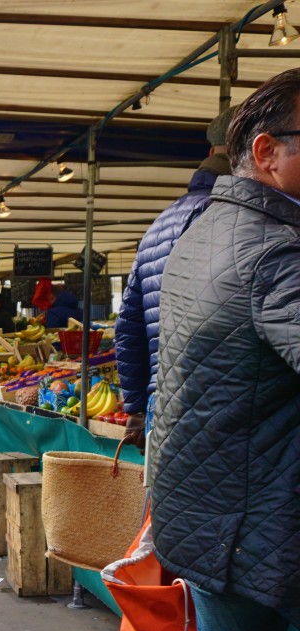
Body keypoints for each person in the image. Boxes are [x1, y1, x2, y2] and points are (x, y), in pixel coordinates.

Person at [149, 73, 300, 631]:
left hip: (207, 510)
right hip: (247, 516)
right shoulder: (274, 250)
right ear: (267, 153)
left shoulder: (206, 229)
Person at [115, 108, 235, 449]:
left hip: (162, 402)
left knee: (168, 501)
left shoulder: (160, 223)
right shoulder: (232, 218)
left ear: (211, 153)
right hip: (214, 408)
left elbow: (128, 326)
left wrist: (137, 408)